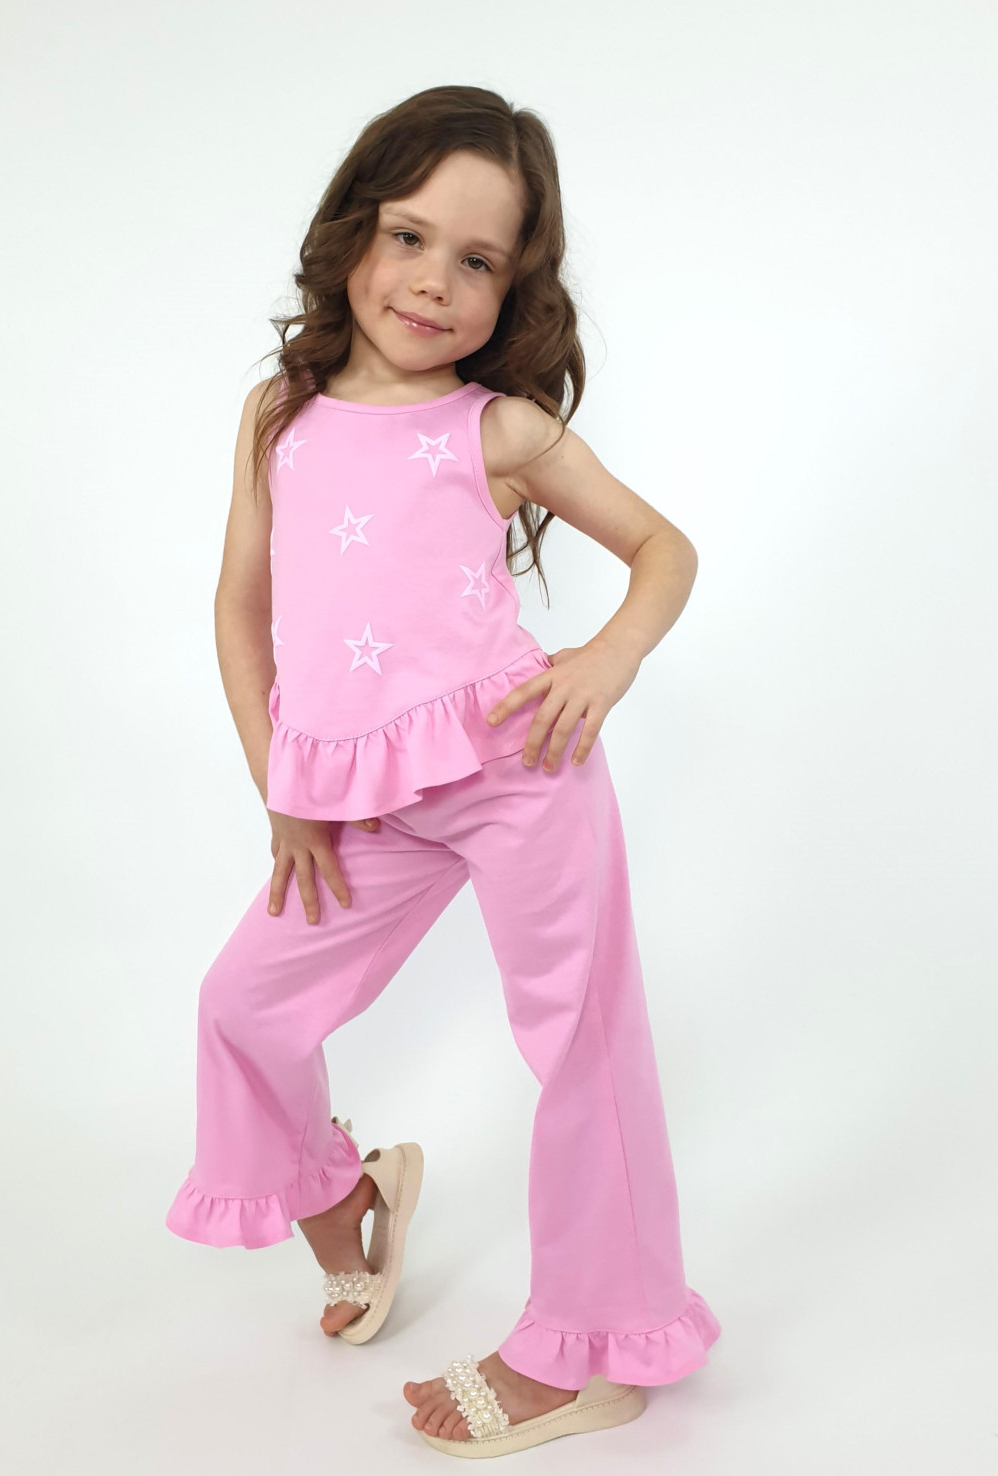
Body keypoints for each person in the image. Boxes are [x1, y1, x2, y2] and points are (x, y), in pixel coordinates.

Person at [165, 84, 721, 1457]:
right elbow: (241, 606)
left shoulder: (498, 429)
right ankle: (345, 1191)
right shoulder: (276, 416)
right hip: (358, 794)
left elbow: (664, 551)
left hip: (517, 764)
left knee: (581, 1043)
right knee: (243, 1003)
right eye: (409, 236)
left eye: (477, 260)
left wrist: (605, 660)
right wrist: (283, 786)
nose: (431, 281)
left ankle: (594, 1347)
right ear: (351, 231)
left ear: (512, 287)